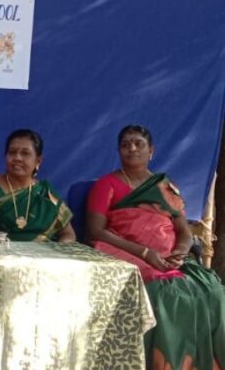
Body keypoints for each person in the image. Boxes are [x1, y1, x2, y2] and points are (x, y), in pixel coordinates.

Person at [86, 125, 224, 369]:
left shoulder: (165, 187)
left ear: (151, 151)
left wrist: (181, 252)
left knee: (212, 289)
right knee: (171, 295)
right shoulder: (106, 185)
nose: (132, 148)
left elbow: (183, 230)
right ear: (118, 151)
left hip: (170, 257)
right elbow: (95, 231)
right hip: (129, 253)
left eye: (138, 144)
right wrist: (145, 253)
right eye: (125, 144)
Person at [0, 129, 76, 242]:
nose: (17, 158)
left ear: (38, 161)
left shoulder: (46, 192)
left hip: (43, 252)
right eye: (12, 152)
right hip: (0, 251)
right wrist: (7, 249)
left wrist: (58, 249)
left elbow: (69, 235)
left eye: (25, 153)